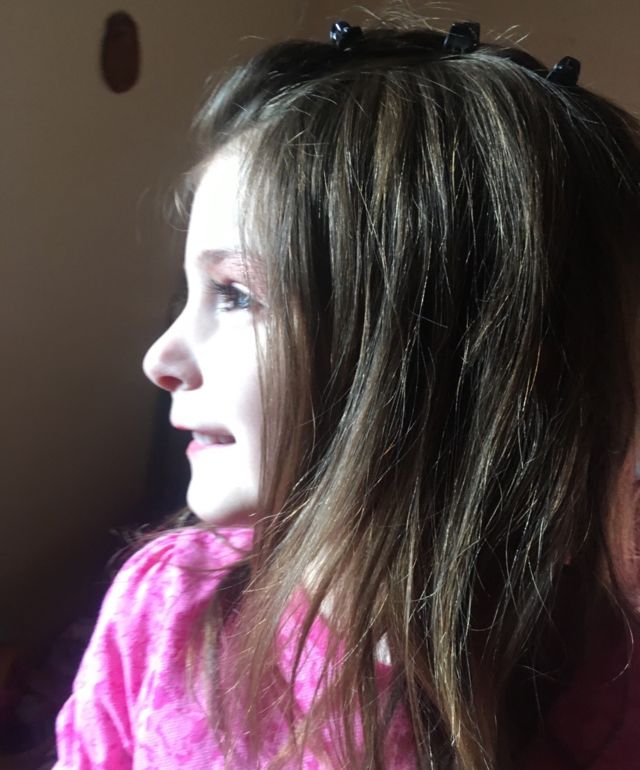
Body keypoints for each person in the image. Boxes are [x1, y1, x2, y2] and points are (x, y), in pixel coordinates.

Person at [53, 14, 640, 770]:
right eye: (189, 294)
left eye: (236, 294)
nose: (160, 360)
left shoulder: (612, 687)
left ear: (454, 358)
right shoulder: (166, 612)